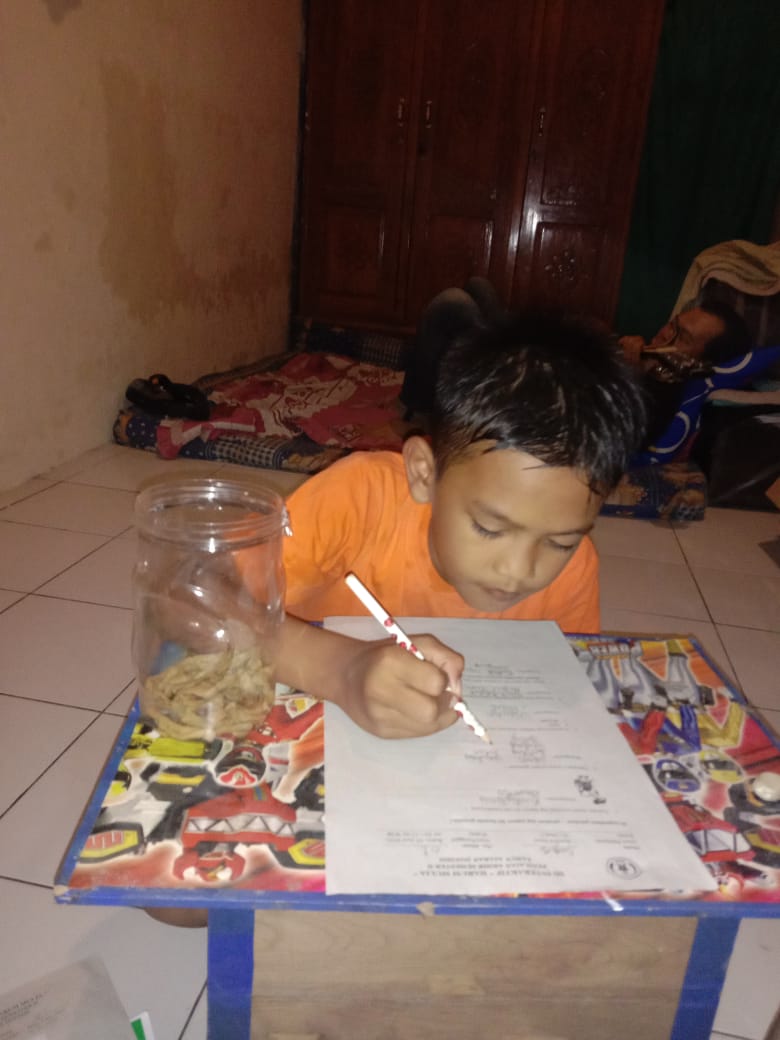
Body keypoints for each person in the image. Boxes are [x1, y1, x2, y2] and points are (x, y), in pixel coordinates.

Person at [273, 310, 646, 742]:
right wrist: (342, 671)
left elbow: (560, 685)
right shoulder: (357, 498)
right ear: (424, 474)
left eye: (560, 542)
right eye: (489, 528)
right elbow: (212, 602)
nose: (518, 571)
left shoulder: (575, 570)